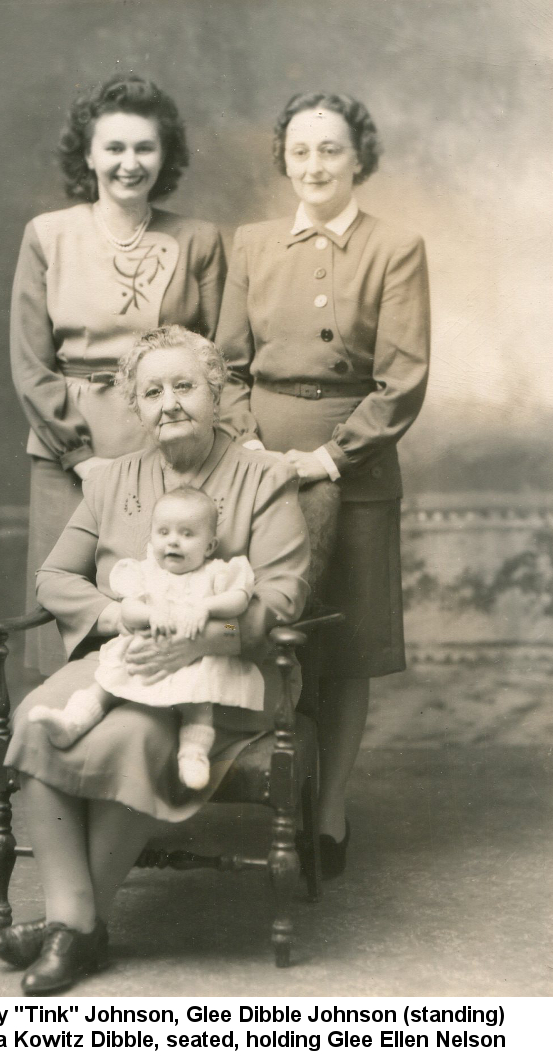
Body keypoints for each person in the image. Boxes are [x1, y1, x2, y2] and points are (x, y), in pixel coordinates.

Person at [0, 325, 309, 995]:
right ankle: (77, 921)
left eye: (185, 385)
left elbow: (280, 595)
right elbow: (55, 579)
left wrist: (203, 638)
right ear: (134, 405)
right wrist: (119, 615)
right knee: (38, 713)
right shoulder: (113, 480)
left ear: (216, 391)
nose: (169, 403)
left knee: (137, 732)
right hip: (129, 655)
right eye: (152, 390)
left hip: (222, 670)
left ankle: (66, 929)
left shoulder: (266, 477)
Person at [216, 91, 431, 879]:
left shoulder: (396, 246)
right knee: (269, 632)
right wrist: (247, 447)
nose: (315, 166)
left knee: (340, 646)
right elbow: (228, 364)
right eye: (301, 151)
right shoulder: (252, 242)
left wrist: (331, 457)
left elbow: (403, 378)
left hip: (355, 465)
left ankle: (329, 806)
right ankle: (281, 791)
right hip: (263, 464)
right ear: (284, 158)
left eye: (331, 150)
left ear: (358, 158)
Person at [10, 74, 227, 674]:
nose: (129, 164)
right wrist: (80, 458)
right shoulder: (47, 236)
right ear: (87, 154)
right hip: (68, 448)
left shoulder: (199, 240)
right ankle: (65, 749)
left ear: (166, 156)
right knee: (72, 603)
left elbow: (218, 360)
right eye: (114, 148)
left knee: (160, 596)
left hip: (167, 440)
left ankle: (149, 752)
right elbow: (31, 364)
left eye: (144, 148)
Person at [28, 486, 263, 791]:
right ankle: (71, 723)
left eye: (188, 534)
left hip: (200, 655)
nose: (173, 541)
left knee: (198, 702)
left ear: (209, 546)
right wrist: (151, 615)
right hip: (142, 651)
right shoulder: (144, 573)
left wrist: (205, 609)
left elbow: (239, 610)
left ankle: (193, 753)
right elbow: (128, 608)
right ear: (152, 539)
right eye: (163, 532)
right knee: (106, 685)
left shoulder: (216, 574)